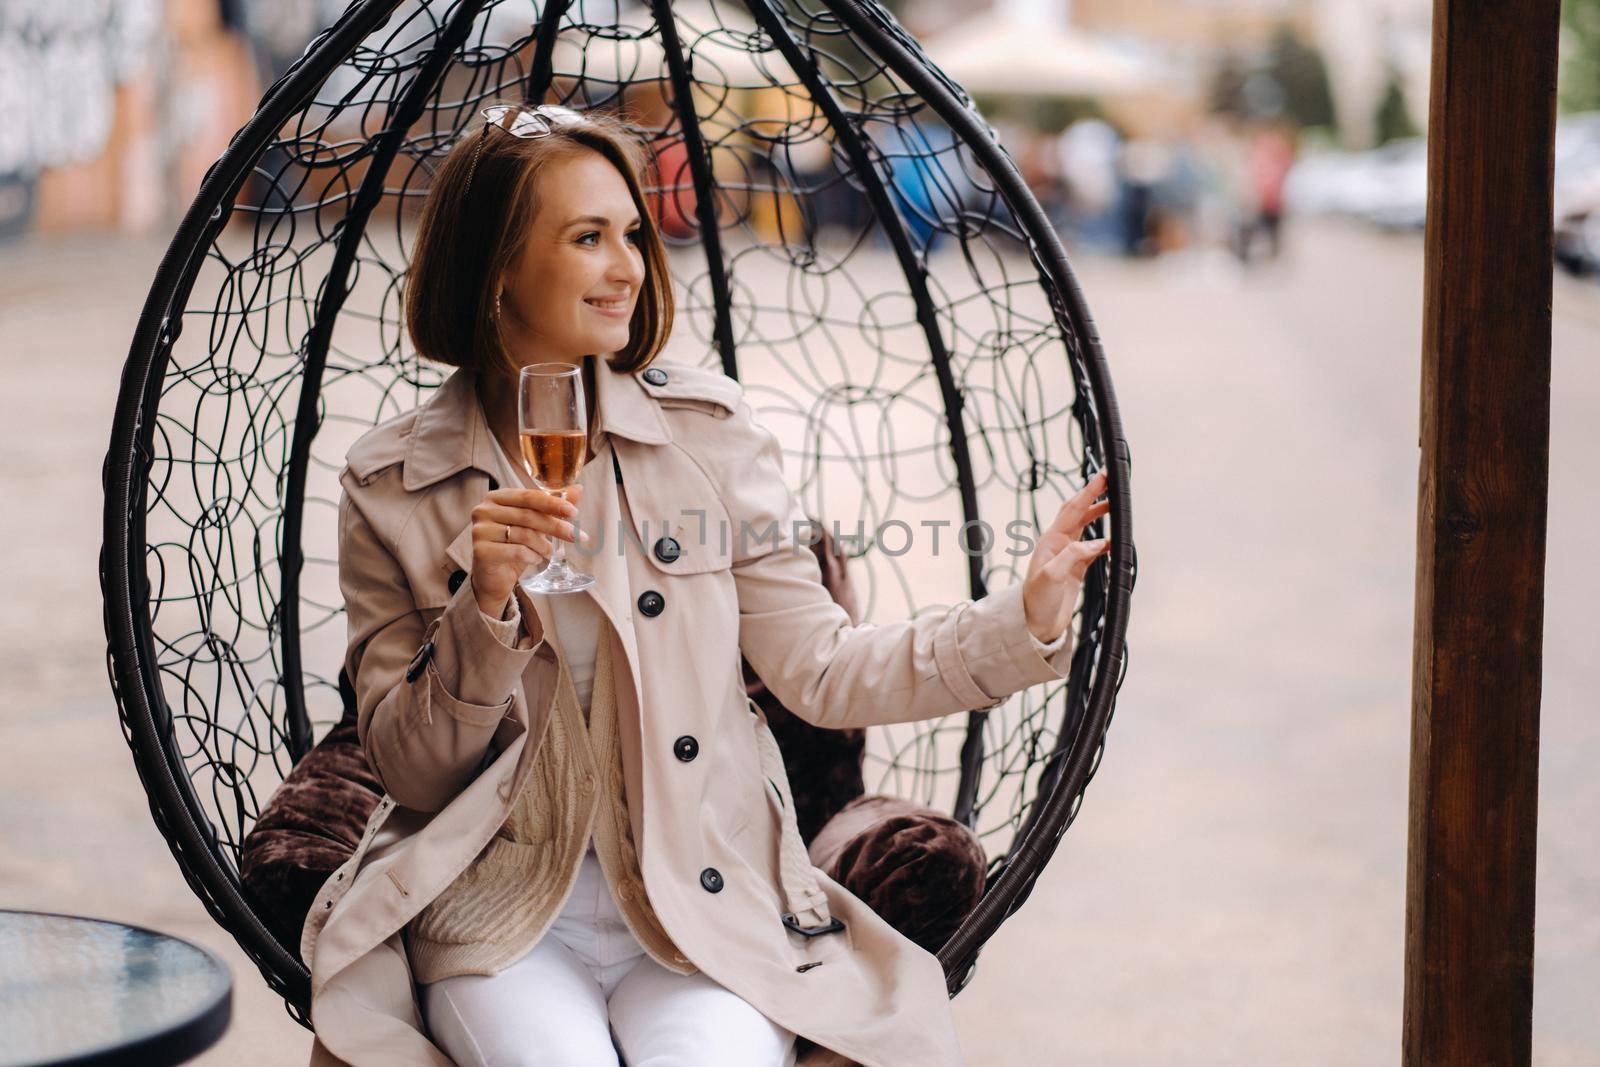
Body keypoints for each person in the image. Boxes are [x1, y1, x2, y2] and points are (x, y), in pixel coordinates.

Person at [306, 101, 1113, 1067]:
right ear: (498, 269)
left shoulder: (706, 436)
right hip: (499, 916)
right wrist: (481, 610)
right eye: (587, 237)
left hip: (700, 907)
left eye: (631, 235)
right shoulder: (392, 482)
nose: (629, 267)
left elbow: (821, 668)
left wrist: (1019, 622)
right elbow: (411, 771)